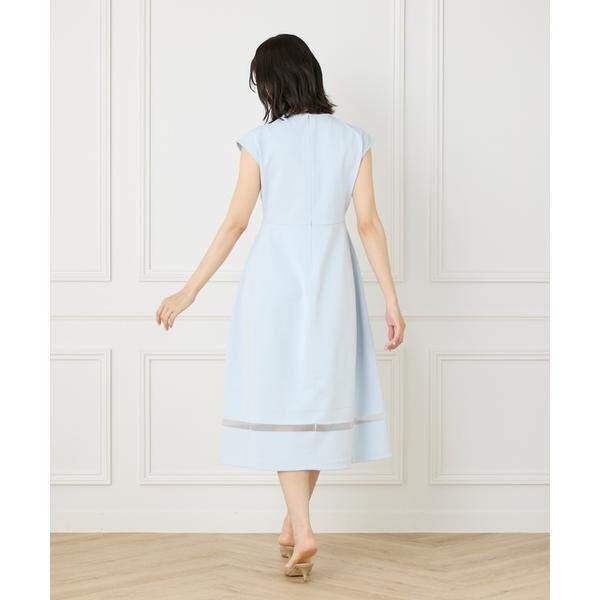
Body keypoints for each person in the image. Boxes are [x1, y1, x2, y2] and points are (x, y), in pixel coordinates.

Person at [155, 33, 406, 582]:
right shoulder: (353, 139)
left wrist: (188, 291)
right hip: (334, 278)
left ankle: (304, 528)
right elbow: (368, 224)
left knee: (282, 400)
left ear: (270, 84)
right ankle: (293, 523)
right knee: (316, 401)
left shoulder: (260, 142)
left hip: (274, 280)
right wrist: (391, 299)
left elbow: (235, 223)